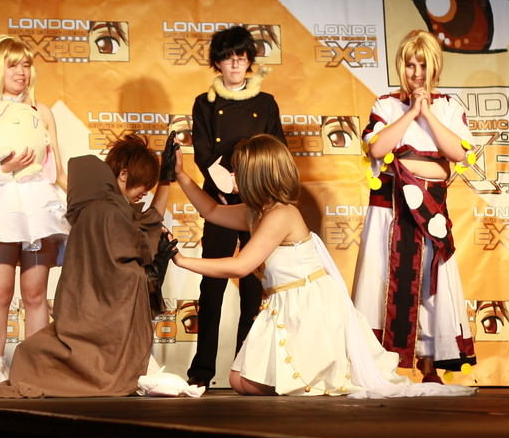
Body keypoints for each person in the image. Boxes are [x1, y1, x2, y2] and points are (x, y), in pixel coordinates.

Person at [172, 135, 473, 397]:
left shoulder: (280, 215)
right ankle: (310, 382)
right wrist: (181, 175)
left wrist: (181, 260)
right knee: (240, 380)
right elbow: (211, 211)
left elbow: (240, 266)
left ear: (255, 176)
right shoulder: (257, 212)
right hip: (285, 306)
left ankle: (315, 381)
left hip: (308, 311)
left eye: (237, 170)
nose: (231, 176)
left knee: (242, 380)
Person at [0, 133, 175, 397]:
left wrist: (166, 181)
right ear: (123, 174)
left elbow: (145, 227)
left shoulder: (101, 208)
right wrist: (148, 270)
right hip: (102, 325)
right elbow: (142, 240)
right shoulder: (108, 212)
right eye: (143, 186)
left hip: (94, 317)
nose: (144, 193)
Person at [352, 30, 478, 383]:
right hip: (389, 210)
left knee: (430, 285)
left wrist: (428, 114)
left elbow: (458, 154)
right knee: (383, 282)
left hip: (430, 211)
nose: (417, 73)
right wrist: (410, 114)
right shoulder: (386, 105)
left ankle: (429, 364)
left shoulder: (450, 106)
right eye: (410, 65)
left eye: (423, 65)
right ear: (401, 66)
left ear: (435, 67)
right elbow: (377, 149)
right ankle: (383, 365)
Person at [0, 35, 69, 386]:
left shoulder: (42, 112)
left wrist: (83, 201)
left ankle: (34, 367)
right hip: (1, 206)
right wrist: (5, 168)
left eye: (26, 65)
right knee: (0, 291)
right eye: (13, 65)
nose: (21, 72)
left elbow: (58, 169)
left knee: (35, 294)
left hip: (39, 207)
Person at [185, 25, 285, 389]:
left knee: (254, 287)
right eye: (227, 59)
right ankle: (201, 373)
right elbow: (202, 152)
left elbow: (276, 149)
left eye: (241, 58)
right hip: (219, 202)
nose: (235, 65)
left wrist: (256, 191)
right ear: (217, 63)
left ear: (250, 61)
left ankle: (249, 368)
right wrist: (225, 188)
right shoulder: (204, 103)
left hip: (258, 203)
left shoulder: (266, 103)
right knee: (211, 287)